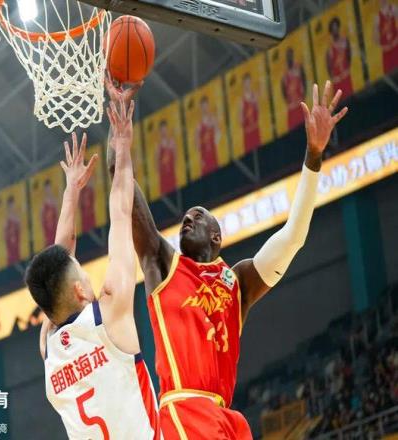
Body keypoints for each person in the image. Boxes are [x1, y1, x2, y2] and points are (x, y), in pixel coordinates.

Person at [107, 79, 348, 439]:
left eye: (198, 216)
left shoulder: (237, 284)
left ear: (216, 238)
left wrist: (313, 156)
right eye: (185, 218)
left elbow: (293, 238)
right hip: (184, 411)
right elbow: (120, 181)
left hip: (226, 417)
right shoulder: (163, 264)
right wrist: (119, 136)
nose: (188, 219)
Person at [25, 100, 159, 439]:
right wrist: (123, 148)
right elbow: (121, 214)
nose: (86, 274)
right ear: (79, 289)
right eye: (81, 271)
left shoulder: (49, 348)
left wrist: (72, 191)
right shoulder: (109, 315)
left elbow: (59, 259)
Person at [326, 17, 353, 98]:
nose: (335, 30)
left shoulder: (345, 41)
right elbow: (329, 66)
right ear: (331, 32)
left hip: (346, 77)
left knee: (351, 97)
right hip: (337, 81)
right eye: (333, 29)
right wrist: (334, 78)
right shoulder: (330, 48)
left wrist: (347, 69)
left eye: (336, 27)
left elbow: (349, 55)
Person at [281, 47, 307, 131]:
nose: (289, 58)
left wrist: (303, 96)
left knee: (304, 126)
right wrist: (288, 101)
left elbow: (304, 81)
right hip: (291, 107)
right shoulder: (284, 73)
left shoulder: (298, 68)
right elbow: (283, 89)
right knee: (293, 129)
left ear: (293, 56)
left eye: (290, 55)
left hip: (300, 103)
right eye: (288, 56)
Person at [195, 95, 220, 175]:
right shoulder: (199, 125)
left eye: (206, 106)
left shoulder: (213, 119)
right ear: (201, 108)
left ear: (208, 106)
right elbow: (197, 142)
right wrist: (201, 155)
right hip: (204, 155)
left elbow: (218, 133)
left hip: (213, 152)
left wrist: (213, 144)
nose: (205, 108)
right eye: (203, 107)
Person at [373, 0, 398, 74]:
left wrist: (396, 40)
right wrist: (382, 45)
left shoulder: (393, 8)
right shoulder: (377, 17)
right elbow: (375, 40)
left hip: (396, 47)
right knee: (389, 75)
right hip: (387, 53)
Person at [239, 73, 261, 153]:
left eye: (249, 82)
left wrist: (255, 102)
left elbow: (258, 111)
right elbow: (240, 119)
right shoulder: (241, 101)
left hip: (255, 129)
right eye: (246, 83)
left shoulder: (255, 96)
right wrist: (245, 119)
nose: (247, 85)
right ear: (243, 84)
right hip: (248, 132)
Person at [156, 119, 178, 195]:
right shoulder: (158, 147)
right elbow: (157, 164)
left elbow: (175, 158)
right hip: (163, 178)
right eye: (162, 130)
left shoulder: (172, 143)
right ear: (160, 131)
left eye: (165, 130)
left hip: (172, 175)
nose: (164, 132)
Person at [41, 179, 59, 247]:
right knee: (49, 243)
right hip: (47, 227)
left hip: (54, 225)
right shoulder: (43, 202)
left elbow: (57, 213)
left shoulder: (54, 200)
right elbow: (41, 216)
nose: (48, 190)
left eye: (49, 188)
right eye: (46, 188)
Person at [4, 195, 21, 265]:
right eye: (10, 205)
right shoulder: (6, 220)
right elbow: (5, 235)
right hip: (10, 245)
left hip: (16, 244)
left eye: (12, 204)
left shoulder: (17, 218)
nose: (12, 206)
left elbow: (19, 229)